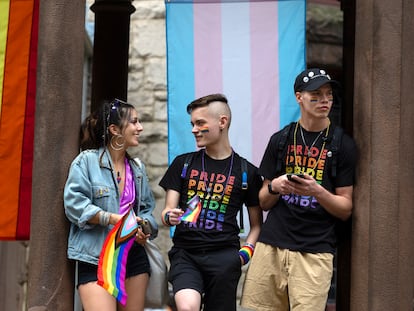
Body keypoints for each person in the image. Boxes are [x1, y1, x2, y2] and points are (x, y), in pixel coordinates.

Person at [241, 68, 358, 311]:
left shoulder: (342, 144)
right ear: (299, 97)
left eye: (328, 94)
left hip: (314, 252)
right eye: (316, 94)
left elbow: (346, 208)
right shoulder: (281, 139)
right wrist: (275, 186)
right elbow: (263, 201)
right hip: (270, 246)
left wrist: (318, 191)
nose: (325, 100)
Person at [159, 94, 263, 311]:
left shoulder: (247, 172)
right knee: (187, 307)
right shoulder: (183, 164)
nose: (194, 130)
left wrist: (245, 254)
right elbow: (167, 211)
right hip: (186, 254)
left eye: (200, 123)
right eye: (192, 124)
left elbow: (256, 225)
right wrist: (170, 216)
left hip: (225, 259)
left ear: (222, 122)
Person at [64, 98, 158, 311]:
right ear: (115, 129)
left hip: (133, 256)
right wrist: (113, 219)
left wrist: (145, 228)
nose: (140, 127)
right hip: (96, 257)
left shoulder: (137, 168)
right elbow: (74, 204)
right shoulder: (86, 161)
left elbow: (146, 210)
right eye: (134, 122)